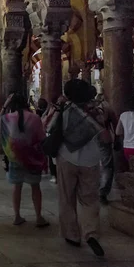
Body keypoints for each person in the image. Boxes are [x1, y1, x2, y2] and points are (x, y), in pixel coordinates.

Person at [48, 79, 108, 257]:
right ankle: (91, 233)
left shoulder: (63, 110)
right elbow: (104, 135)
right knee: (90, 199)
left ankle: (72, 235)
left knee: (67, 198)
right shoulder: (94, 111)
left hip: (66, 157)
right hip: (90, 160)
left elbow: (50, 127)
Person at [0, 93, 49, 227]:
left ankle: (17, 216)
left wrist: (5, 105)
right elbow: (41, 138)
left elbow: (0, 119)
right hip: (33, 157)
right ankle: (39, 217)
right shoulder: (35, 118)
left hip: (16, 158)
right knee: (35, 186)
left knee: (17, 186)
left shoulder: (9, 118)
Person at [93, 93, 117, 205]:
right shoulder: (106, 107)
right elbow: (115, 123)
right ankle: (102, 192)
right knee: (107, 166)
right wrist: (117, 139)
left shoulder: (85, 107)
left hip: (88, 140)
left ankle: (93, 190)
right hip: (103, 137)